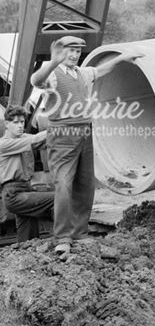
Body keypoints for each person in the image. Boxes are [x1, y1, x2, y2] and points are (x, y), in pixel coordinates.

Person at [30, 35, 142, 255]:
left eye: (77, 52)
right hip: (63, 132)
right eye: (69, 51)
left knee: (85, 184)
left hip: (85, 131)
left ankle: (79, 233)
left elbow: (100, 70)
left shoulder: (81, 73)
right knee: (63, 183)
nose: (73, 55)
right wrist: (53, 61)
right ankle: (62, 237)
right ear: (61, 52)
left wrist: (122, 58)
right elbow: (36, 80)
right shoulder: (53, 73)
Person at [0, 105, 55, 243]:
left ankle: (26, 256)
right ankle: (64, 237)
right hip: (14, 195)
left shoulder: (24, 137)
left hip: (26, 190)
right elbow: (34, 140)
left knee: (28, 240)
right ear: (6, 124)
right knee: (59, 196)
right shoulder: (4, 144)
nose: (20, 125)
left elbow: (43, 141)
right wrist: (56, 127)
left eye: (22, 122)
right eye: (15, 122)